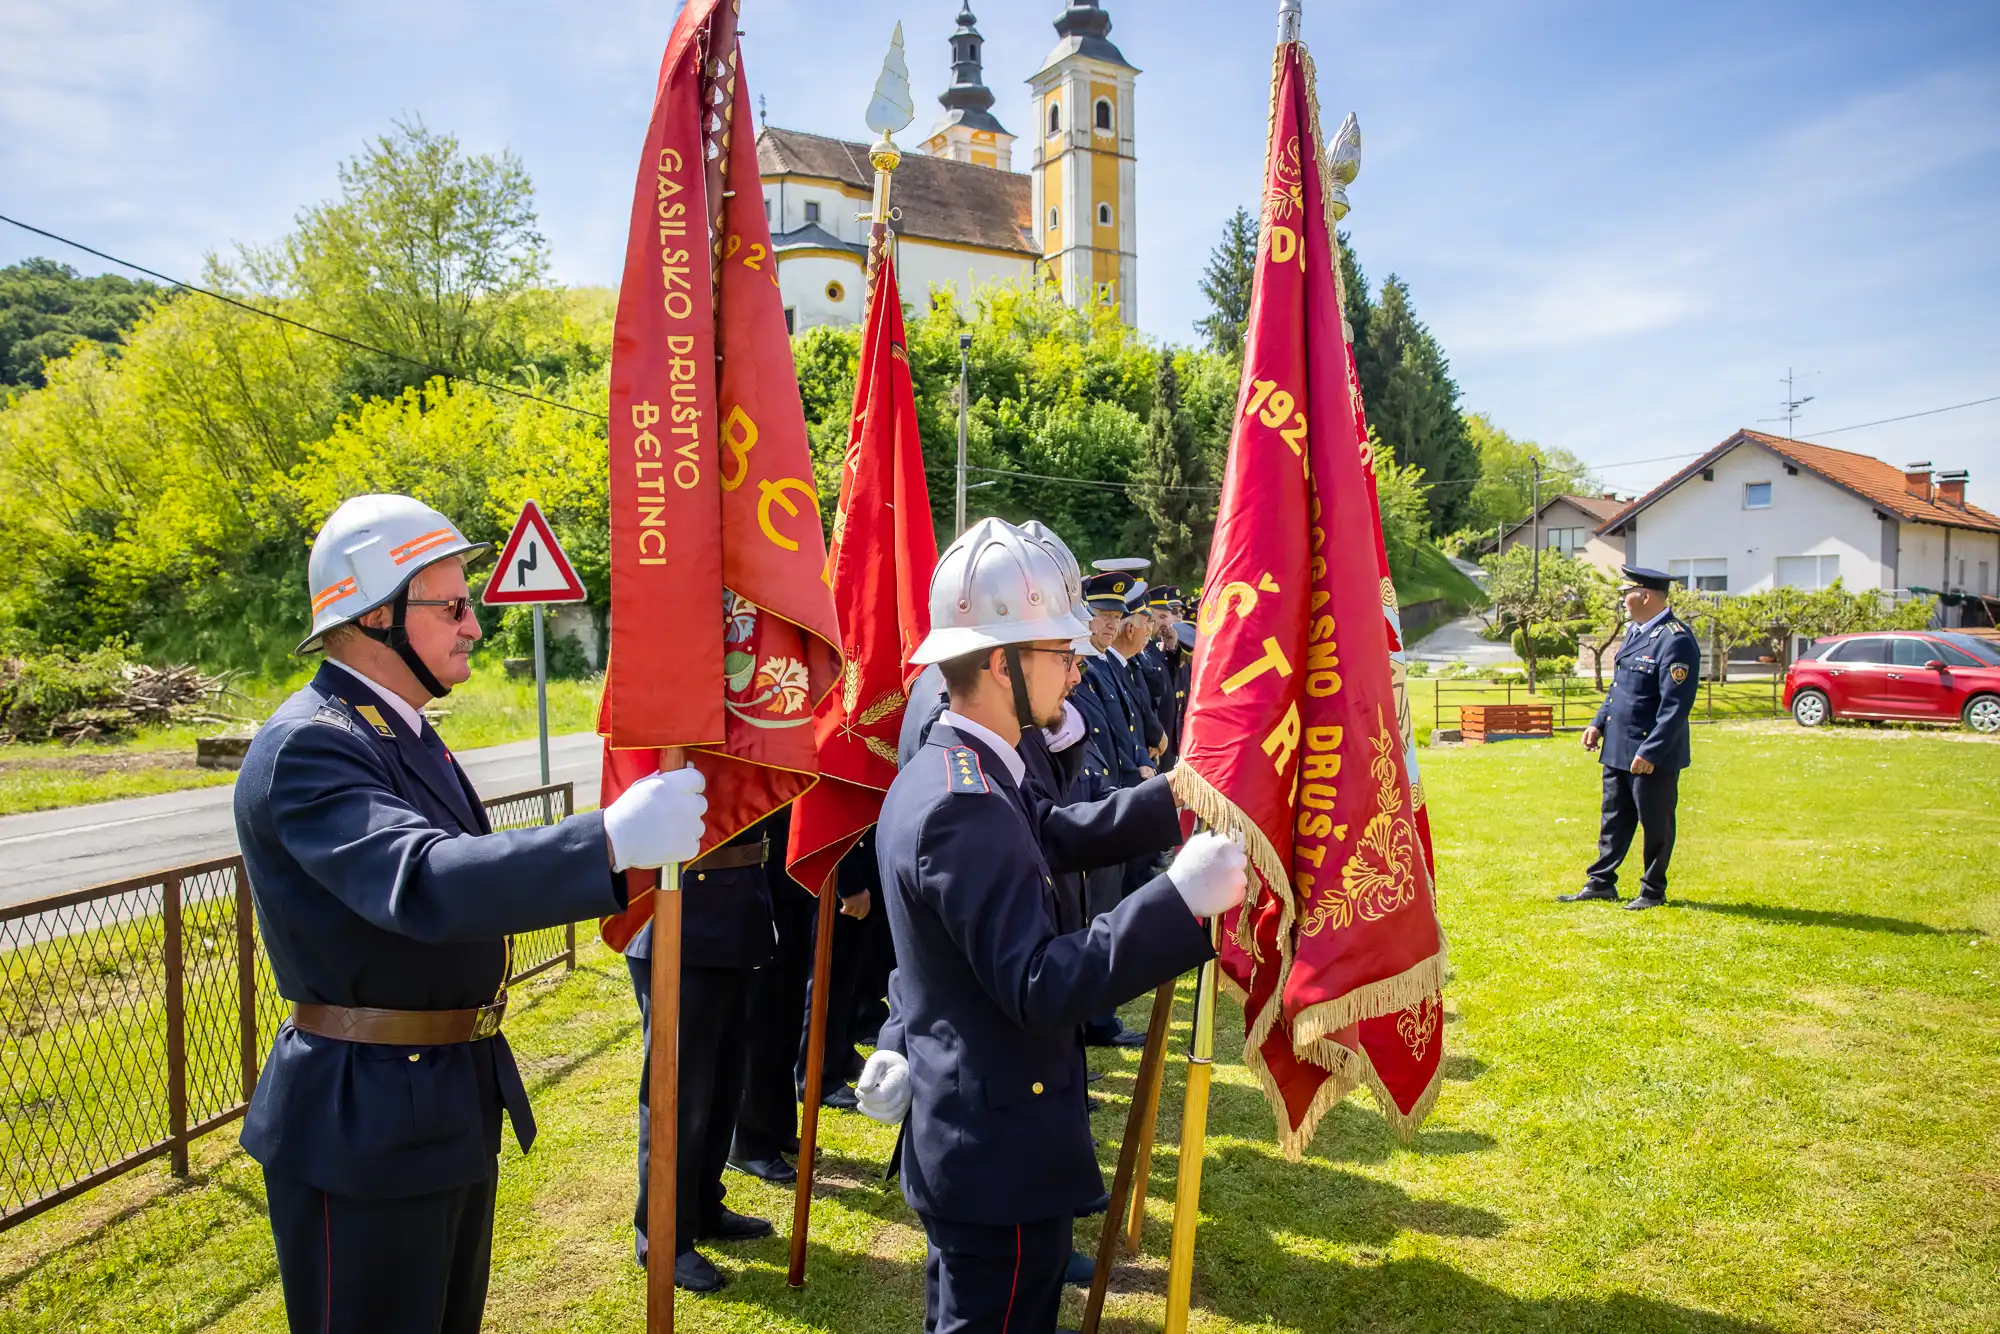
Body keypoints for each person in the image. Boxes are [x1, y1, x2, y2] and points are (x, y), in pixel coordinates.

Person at [235, 494, 708, 1334]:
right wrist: (605, 839)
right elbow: (422, 880)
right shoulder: (312, 743)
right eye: (452, 606)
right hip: (364, 1116)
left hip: (438, 1095)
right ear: (376, 615)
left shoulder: (403, 732)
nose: (474, 626)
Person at [857, 518, 1248, 1334]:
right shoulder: (961, 805)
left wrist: (1186, 794)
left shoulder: (971, 769)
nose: (1075, 670)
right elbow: (1037, 984)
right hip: (996, 1152)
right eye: (1058, 654)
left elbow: (1058, 830)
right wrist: (1176, 903)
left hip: (997, 1136)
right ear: (1000, 663)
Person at [627, 818, 780, 1293]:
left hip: (731, 916)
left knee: (724, 1080)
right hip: (684, 917)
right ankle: (662, 1234)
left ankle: (701, 1203)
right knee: (681, 1093)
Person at [1561, 564, 1701, 911]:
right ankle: (1601, 882)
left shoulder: (1676, 639)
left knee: (1656, 823)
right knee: (1613, 818)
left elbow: (1675, 706)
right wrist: (1598, 723)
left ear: (1646, 595)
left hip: (1650, 752)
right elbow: (1620, 688)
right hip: (1618, 746)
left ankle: (1652, 890)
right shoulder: (1638, 632)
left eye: (1627, 593)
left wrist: (1651, 751)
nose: (1623, 599)